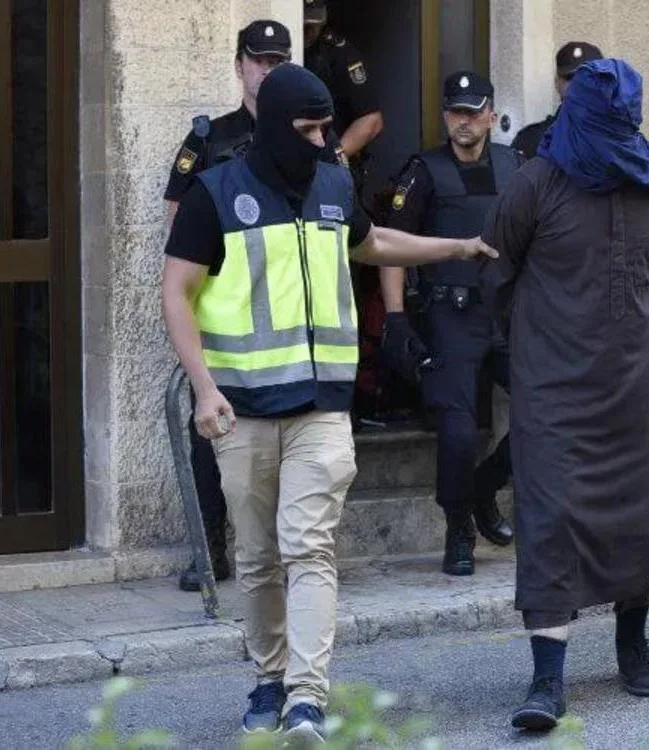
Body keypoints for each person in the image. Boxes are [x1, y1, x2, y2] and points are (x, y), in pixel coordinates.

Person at [160, 63, 495, 741]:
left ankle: (307, 697)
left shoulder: (336, 186)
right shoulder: (214, 194)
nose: (323, 141)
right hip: (243, 409)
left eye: (326, 128)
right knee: (258, 557)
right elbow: (176, 291)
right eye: (310, 129)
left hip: (321, 407)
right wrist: (204, 388)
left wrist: (460, 245)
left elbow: (376, 244)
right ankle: (269, 677)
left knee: (310, 547)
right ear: (275, 126)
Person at [480, 57, 649, 732]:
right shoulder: (535, 183)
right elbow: (496, 275)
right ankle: (548, 677)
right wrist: (533, 348)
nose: (617, 133)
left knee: (635, 515)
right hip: (553, 386)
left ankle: (634, 645)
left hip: (634, 378)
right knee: (548, 520)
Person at [162, 18, 298, 593]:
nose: (267, 70)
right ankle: (211, 550)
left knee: (292, 438)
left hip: (286, 316)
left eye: (278, 61)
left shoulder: (308, 137)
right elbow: (178, 219)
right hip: (222, 314)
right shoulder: (208, 139)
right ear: (240, 65)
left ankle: (286, 550)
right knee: (211, 430)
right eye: (259, 60)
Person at [380, 71, 519, 576]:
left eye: (473, 111)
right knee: (458, 430)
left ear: (490, 115)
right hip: (450, 315)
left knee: (548, 408)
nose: (464, 121)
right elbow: (390, 247)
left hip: (507, 313)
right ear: (445, 116)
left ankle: (485, 487)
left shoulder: (515, 165)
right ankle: (459, 524)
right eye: (456, 111)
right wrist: (395, 317)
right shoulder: (424, 172)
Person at [303, 0, 384, 192]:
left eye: (311, 27)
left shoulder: (339, 54)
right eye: (303, 25)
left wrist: (329, 160)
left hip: (329, 170)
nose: (306, 32)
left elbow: (372, 120)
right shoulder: (280, 52)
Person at [510, 41, 603, 160]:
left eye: (587, 77)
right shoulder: (530, 139)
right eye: (570, 78)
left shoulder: (619, 137)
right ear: (557, 82)